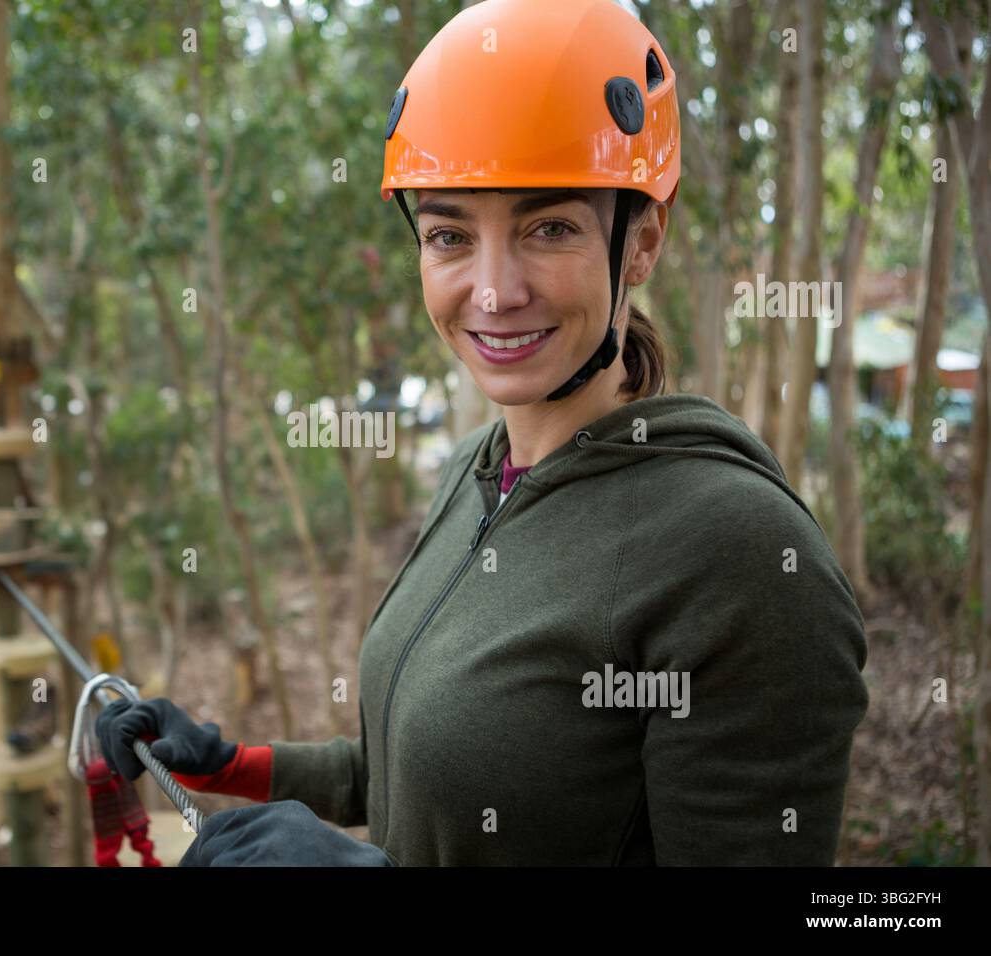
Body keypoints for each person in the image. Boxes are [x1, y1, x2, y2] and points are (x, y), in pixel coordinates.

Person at [97, 0, 869, 866]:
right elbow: (423, 775)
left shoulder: (738, 554)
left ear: (641, 242)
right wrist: (230, 764)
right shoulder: (480, 469)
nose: (494, 291)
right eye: (449, 234)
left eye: (549, 228)